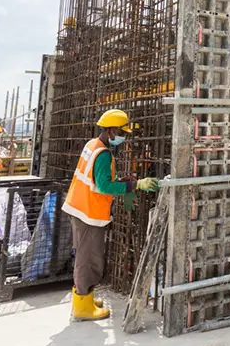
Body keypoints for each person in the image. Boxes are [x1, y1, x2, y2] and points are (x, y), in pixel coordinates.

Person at [62, 109, 158, 322]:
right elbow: (103, 185)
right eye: (123, 132)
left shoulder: (92, 145)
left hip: (78, 208)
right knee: (89, 259)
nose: (124, 137)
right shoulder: (103, 154)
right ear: (112, 130)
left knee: (83, 255)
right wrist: (135, 185)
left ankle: (85, 297)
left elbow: (96, 178)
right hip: (88, 213)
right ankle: (82, 306)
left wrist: (122, 182)